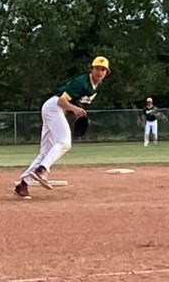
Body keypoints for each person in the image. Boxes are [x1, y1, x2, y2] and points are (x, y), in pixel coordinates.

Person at [14, 56, 110, 199]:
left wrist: (74, 110)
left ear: (106, 73)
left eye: (103, 69)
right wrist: (75, 109)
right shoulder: (81, 82)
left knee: (46, 151)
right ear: (91, 69)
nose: (99, 72)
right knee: (64, 142)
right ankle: (42, 170)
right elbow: (61, 101)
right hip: (54, 107)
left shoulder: (94, 86)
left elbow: (71, 102)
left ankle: (22, 185)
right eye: (97, 68)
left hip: (53, 108)